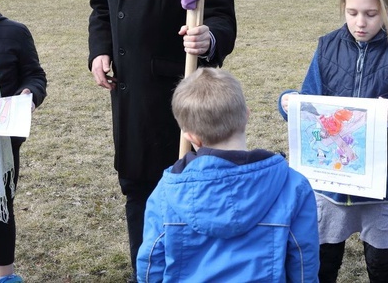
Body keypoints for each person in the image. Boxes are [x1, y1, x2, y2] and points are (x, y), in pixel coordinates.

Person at [88, 0, 237, 279]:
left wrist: (209, 39)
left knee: (184, 193)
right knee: (136, 190)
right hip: (129, 99)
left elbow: (223, 17)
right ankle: (147, 270)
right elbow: (101, 9)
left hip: (178, 101)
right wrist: (99, 51)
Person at [278, 0, 388, 283]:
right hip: (331, 184)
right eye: (352, 12)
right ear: (343, 8)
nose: (360, 22)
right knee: (324, 260)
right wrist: (288, 103)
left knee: (379, 262)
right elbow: (308, 105)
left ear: (387, 12)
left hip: (384, 185)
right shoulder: (327, 47)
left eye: (370, 14)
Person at [137, 68, 319, 282]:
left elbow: (151, 264)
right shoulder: (294, 187)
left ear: (189, 136)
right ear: (247, 115)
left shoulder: (165, 193)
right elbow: (303, 263)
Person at [0, 0, 47, 283]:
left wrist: (30, 94)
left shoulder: (13, 32)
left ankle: (5, 276)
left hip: (0, 140)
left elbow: (35, 75)